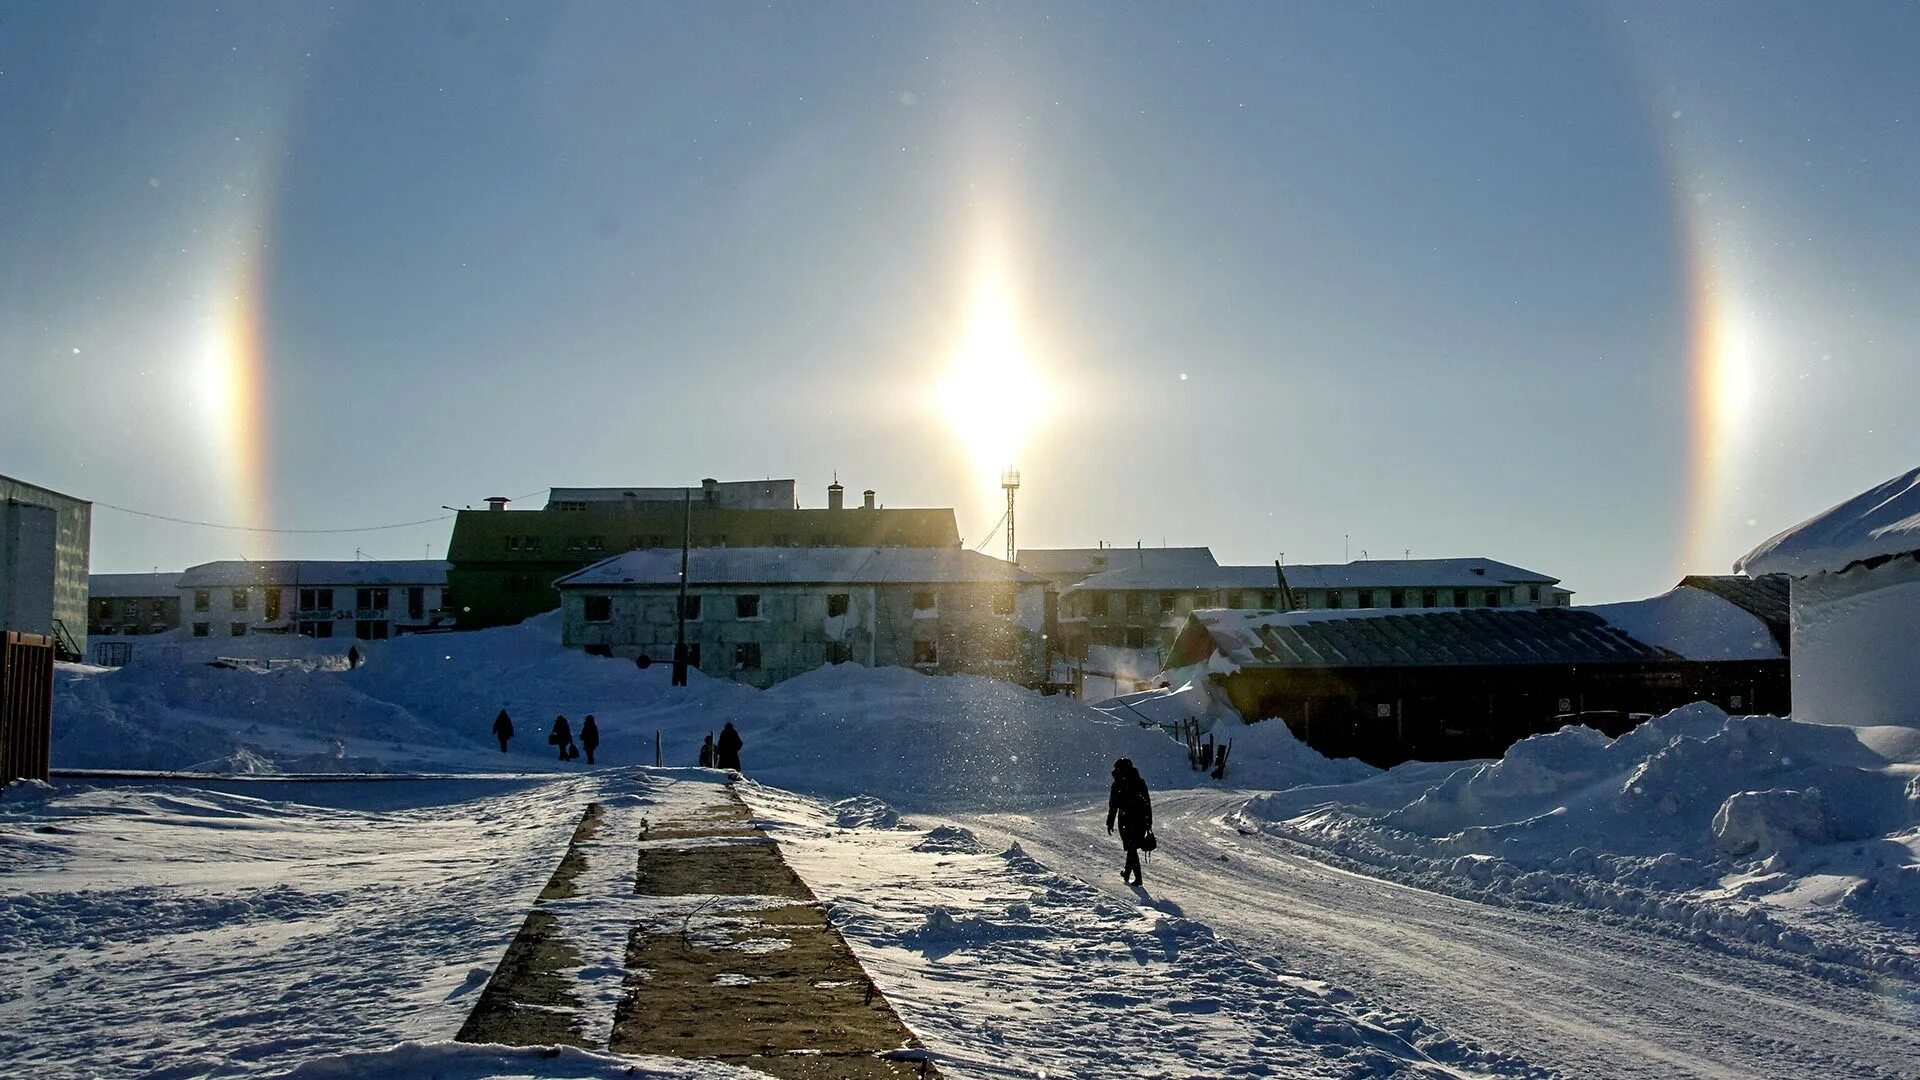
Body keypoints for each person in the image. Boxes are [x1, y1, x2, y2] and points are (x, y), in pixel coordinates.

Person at [1106, 758, 1153, 887]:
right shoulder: (1139, 782)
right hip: (1140, 819)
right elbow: (1147, 803)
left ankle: (1138, 878)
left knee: (1131, 847)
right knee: (1132, 847)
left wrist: (1110, 822)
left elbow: (1113, 805)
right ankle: (1127, 873)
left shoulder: (1118, 784)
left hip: (1126, 819)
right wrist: (1149, 821)